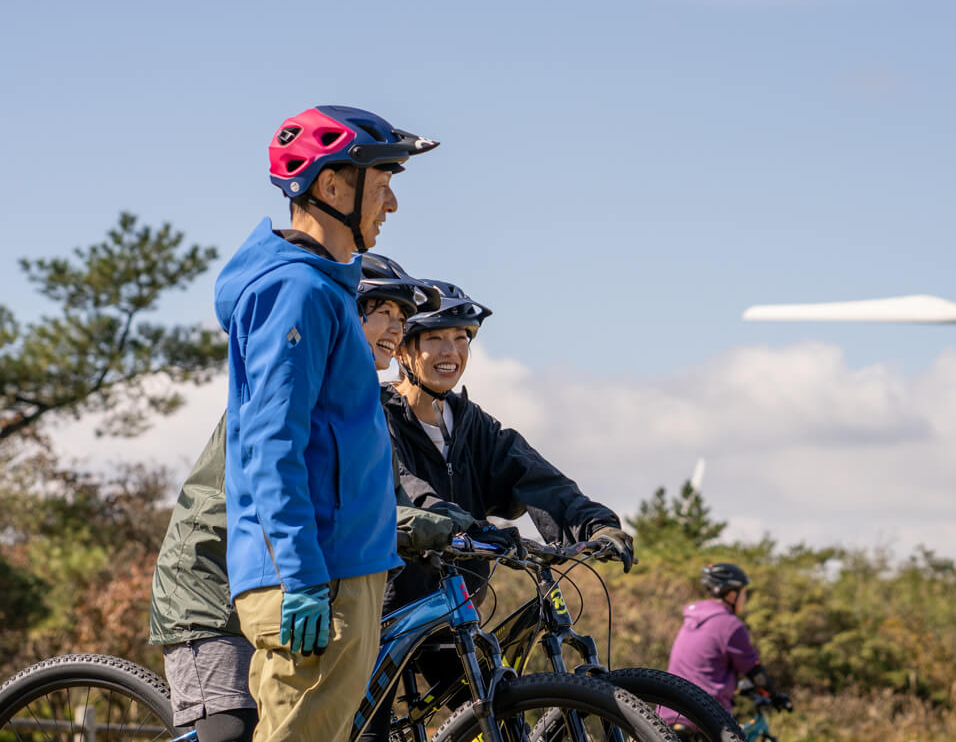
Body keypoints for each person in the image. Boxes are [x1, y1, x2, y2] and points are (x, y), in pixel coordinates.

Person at [150, 253, 460, 742]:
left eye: (403, 319)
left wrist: (447, 520)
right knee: (233, 732)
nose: (396, 329)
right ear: (346, 313)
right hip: (212, 588)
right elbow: (291, 478)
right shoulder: (304, 376)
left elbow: (384, 495)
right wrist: (418, 525)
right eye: (384, 313)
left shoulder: (364, 403)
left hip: (282, 581)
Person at [213, 105, 438, 742]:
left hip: (338, 566)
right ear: (334, 186)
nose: (391, 203)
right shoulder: (299, 291)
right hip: (318, 574)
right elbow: (270, 442)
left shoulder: (323, 288)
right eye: (382, 182)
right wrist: (303, 576)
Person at [356, 280, 633, 742]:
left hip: (451, 607)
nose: (452, 351)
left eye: (462, 337)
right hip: (384, 607)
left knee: (496, 716)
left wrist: (596, 525)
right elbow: (409, 491)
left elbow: (537, 477)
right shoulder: (376, 416)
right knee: (369, 730)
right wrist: (464, 525)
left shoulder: (472, 425)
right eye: (435, 338)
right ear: (403, 350)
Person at [661, 563, 791, 736]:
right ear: (731, 594)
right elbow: (756, 673)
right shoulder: (730, 625)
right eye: (744, 593)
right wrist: (774, 696)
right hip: (705, 718)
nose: (745, 598)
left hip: (668, 714)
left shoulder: (692, 619)